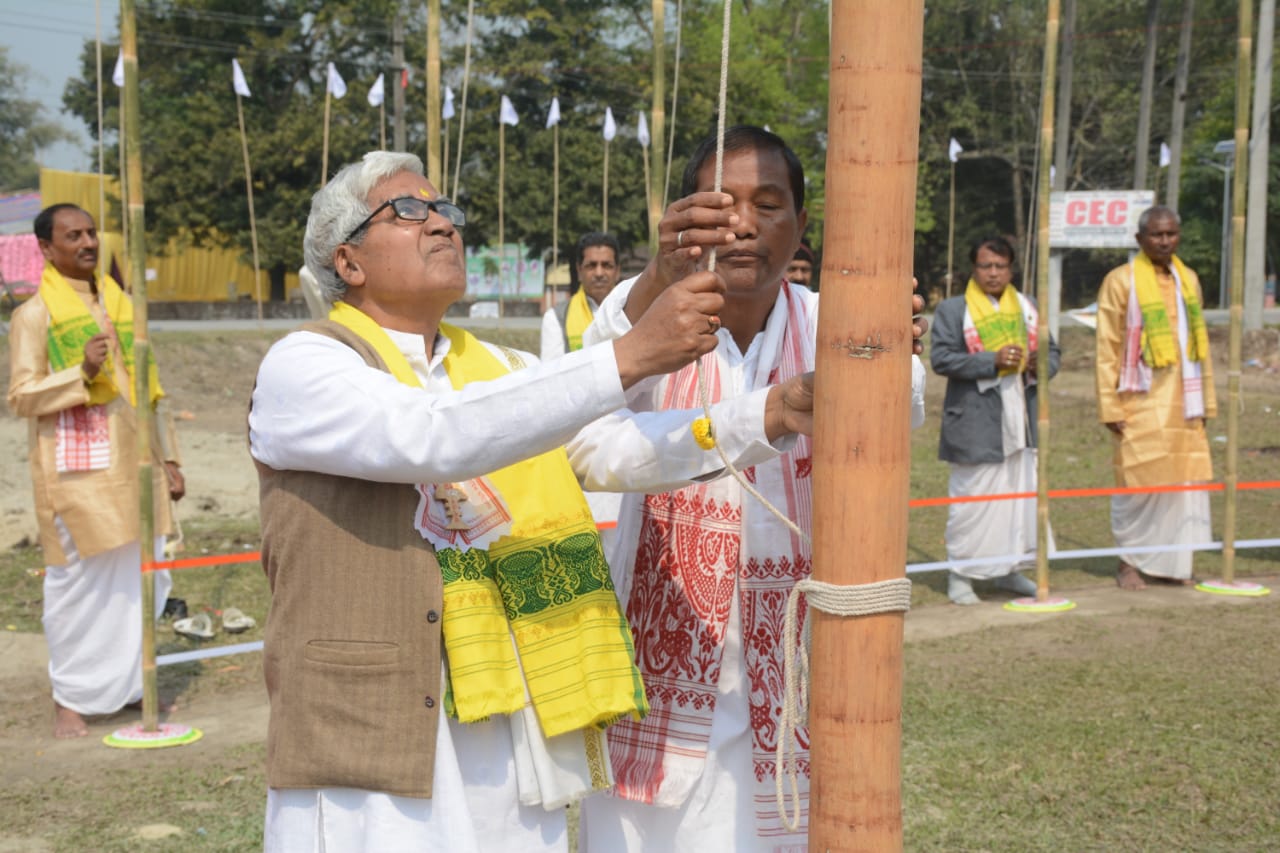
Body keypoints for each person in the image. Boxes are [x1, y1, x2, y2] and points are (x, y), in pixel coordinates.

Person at [248, 150, 817, 852]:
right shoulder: (304, 366)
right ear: (349, 261)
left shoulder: (499, 369)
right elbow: (436, 434)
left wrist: (770, 414)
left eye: (445, 210)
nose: (441, 224)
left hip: (514, 721)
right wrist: (630, 356)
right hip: (376, 730)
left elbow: (613, 449)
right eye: (409, 210)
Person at [571, 126, 927, 851]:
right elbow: (593, 438)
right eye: (722, 201)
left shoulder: (837, 323)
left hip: (799, 672)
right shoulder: (651, 325)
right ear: (685, 215)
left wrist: (886, 337)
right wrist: (659, 283)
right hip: (665, 667)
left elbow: (905, 399)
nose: (742, 222)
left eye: (768, 203)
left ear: (802, 225)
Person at [7, 203, 184, 739]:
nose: (87, 243)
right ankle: (72, 699)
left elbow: (151, 391)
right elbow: (19, 396)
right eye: (73, 235)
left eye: (91, 233)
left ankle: (129, 688)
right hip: (77, 475)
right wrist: (80, 371)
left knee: (140, 581)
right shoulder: (33, 315)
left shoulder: (124, 305)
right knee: (76, 587)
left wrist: (170, 457)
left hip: (137, 466)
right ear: (46, 248)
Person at [930, 235, 1060, 605]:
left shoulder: (1028, 307)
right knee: (972, 500)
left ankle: (1008, 570)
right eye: (986, 266)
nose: (993, 273)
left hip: (1022, 417)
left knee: (1016, 501)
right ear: (974, 269)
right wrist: (992, 360)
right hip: (975, 422)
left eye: (1000, 266)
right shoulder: (955, 310)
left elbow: (1052, 351)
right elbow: (942, 358)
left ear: (1011, 269)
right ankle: (961, 574)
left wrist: (1040, 364)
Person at [1095, 205, 1215, 590]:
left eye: (1171, 234)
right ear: (1139, 239)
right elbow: (1107, 346)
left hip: (1184, 396)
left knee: (1181, 482)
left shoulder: (1188, 279)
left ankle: (1172, 565)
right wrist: (1109, 404)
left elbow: (1200, 346)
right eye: (1157, 234)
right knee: (1137, 481)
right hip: (1138, 398)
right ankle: (1130, 562)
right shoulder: (1120, 280)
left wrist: (1207, 401)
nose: (1165, 241)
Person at [540, 231, 623, 360]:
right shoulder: (556, 318)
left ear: (617, 271)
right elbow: (551, 372)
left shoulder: (633, 310)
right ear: (579, 271)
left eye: (607, 265)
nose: (599, 273)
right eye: (591, 265)